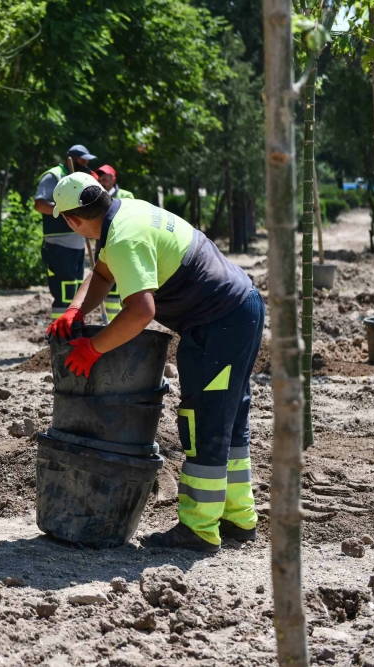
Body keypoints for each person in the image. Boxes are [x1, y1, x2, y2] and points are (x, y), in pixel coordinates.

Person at [47, 172, 263, 553]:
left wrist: (92, 348)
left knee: (205, 420)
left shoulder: (125, 237)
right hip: (238, 310)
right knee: (229, 419)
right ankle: (237, 517)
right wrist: (76, 309)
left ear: (71, 220)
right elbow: (102, 274)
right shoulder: (128, 213)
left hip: (218, 323)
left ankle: (199, 529)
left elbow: (140, 312)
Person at [33, 145, 96, 320]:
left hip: (77, 244)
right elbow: (39, 204)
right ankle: (59, 336)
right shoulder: (54, 176)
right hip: (59, 245)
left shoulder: (79, 178)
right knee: (63, 295)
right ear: (73, 158)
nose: (86, 164)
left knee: (74, 293)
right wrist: (66, 209)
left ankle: (69, 330)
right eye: (83, 160)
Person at [93, 164, 133, 321]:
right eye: (100, 177)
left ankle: (127, 321)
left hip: (123, 246)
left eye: (106, 177)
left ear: (113, 179)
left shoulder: (125, 195)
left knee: (124, 285)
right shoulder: (95, 196)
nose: (102, 180)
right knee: (107, 285)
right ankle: (111, 322)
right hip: (103, 246)